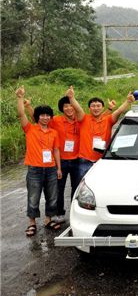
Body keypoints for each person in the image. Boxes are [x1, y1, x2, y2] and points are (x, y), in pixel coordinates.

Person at [24, 86, 83, 224]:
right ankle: (58, 213)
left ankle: (77, 213)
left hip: (76, 160)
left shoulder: (80, 120)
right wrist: (28, 107)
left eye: (71, 106)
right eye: (65, 106)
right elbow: (38, 118)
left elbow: (83, 112)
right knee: (58, 189)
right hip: (60, 160)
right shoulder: (55, 120)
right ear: (62, 109)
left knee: (77, 188)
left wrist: (72, 97)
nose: (69, 108)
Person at [16, 86, 63, 236]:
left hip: (50, 169)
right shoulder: (30, 129)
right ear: (37, 117)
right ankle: (32, 223)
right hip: (34, 169)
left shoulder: (54, 132)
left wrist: (59, 168)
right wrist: (20, 98)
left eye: (47, 115)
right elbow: (21, 113)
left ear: (50, 117)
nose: (45, 117)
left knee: (52, 195)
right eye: (42, 115)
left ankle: (48, 220)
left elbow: (56, 150)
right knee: (33, 196)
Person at [73, 91, 135, 179]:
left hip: (102, 161)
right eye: (93, 106)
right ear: (89, 108)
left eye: (98, 106)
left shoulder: (108, 120)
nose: (96, 108)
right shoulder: (84, 119)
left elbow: (119, 111)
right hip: (85, 160)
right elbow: (78, 108)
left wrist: (128, 101)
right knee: (82, 187)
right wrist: (71, 98)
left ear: (102, 108)